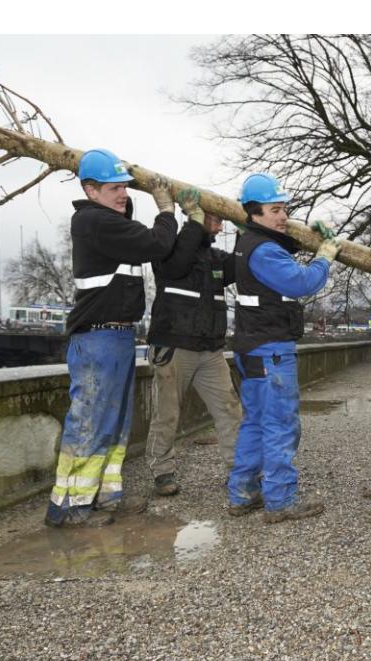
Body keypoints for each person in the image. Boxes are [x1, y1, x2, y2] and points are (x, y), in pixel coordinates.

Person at [44, 148, 179, 528]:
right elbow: (157, 243)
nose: (123, 194)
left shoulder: (111, 223)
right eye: (114, 188)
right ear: (90, 190)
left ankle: (104, 496)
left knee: (115, 424)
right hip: (97, 340)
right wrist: (166, 210)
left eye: (125, 187)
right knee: (90, 424)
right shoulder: (94, 221)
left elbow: (134, 227)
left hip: (116, 337)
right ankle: (70, 508)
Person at [228, 173, 339, 523]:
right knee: (280, 424)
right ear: (254, 213)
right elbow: (300, 281)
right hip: (271, 350)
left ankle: (243, 493)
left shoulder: (250, 242)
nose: (283, 216)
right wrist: (324, 256)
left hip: (252, 347)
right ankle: (280, 500)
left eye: (284, 209)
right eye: (275, 210)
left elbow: (281, 250)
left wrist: (308, 237)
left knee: (255, 423)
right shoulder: (263, 251)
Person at [145, 188, 242, 496]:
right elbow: (177, 266)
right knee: (167, 414)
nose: (221, 226)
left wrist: (245, 232)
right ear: (196, 215)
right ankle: (162, 471)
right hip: (174, 347)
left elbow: (239, 268)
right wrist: (194, 222)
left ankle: (239, 471)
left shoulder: (215, 258)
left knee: (230, 410)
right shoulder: (169, 248)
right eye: (216, 218)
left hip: (210, 350)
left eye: (223, 220)